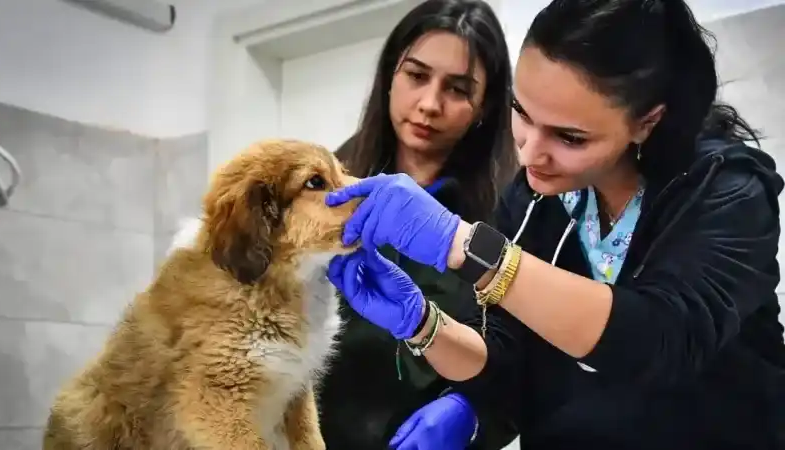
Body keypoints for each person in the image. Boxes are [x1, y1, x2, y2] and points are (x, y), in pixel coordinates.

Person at [326, 0, 785, 449]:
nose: (528, 153)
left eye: (569, 137)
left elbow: (660, 338)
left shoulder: (726, 188)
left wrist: (462, 243)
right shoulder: (533, 199)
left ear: (647, 122)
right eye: (522, 112)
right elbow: (505, 362)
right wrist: (423, 325)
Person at [316, 1, 519, 449]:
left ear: (485, 104)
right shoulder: (326, 185)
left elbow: (527, 365)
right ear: (390, 75)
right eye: (416, 75)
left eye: (458, 89)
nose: (429, 104)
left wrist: (473, 413)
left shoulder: (510, 212)